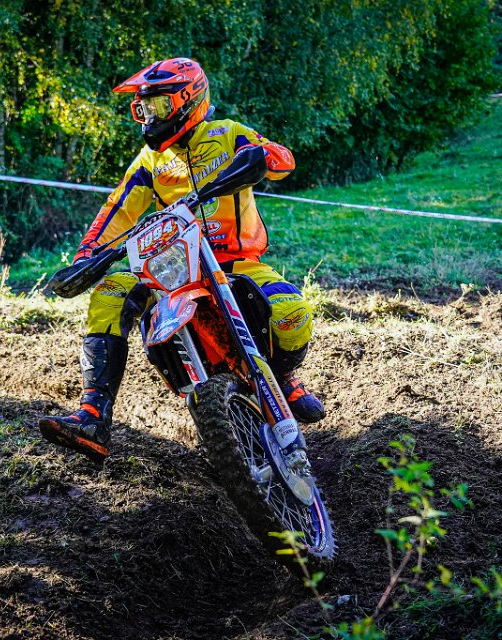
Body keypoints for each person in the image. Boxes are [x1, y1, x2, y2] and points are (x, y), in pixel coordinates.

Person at [36, 58, 325, 463]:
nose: (150, 117)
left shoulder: (227, 133)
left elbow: (282, 160)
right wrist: (87, 255)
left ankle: (282, 378)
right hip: (170, 268)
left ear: (188, 100)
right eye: (142, 109)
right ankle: (93, 415)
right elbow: (117, 209)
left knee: (290, 311)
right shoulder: (150, 161)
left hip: (235, 260)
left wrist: (262, 157)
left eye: (158, 106)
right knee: (110, 293)